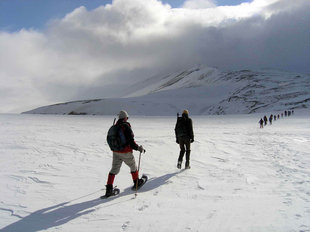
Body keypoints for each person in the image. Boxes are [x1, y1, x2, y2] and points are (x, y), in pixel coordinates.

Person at [104, 110, 145, 197]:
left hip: (115, 151)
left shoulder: (115, 126)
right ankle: (136, 182)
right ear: (125, 118)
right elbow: (131, 142)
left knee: (114, 169)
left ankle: (109, 189)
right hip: (125, 151)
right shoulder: (126, 126)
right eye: (127, 117)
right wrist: (138, 148)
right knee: (133, 166)